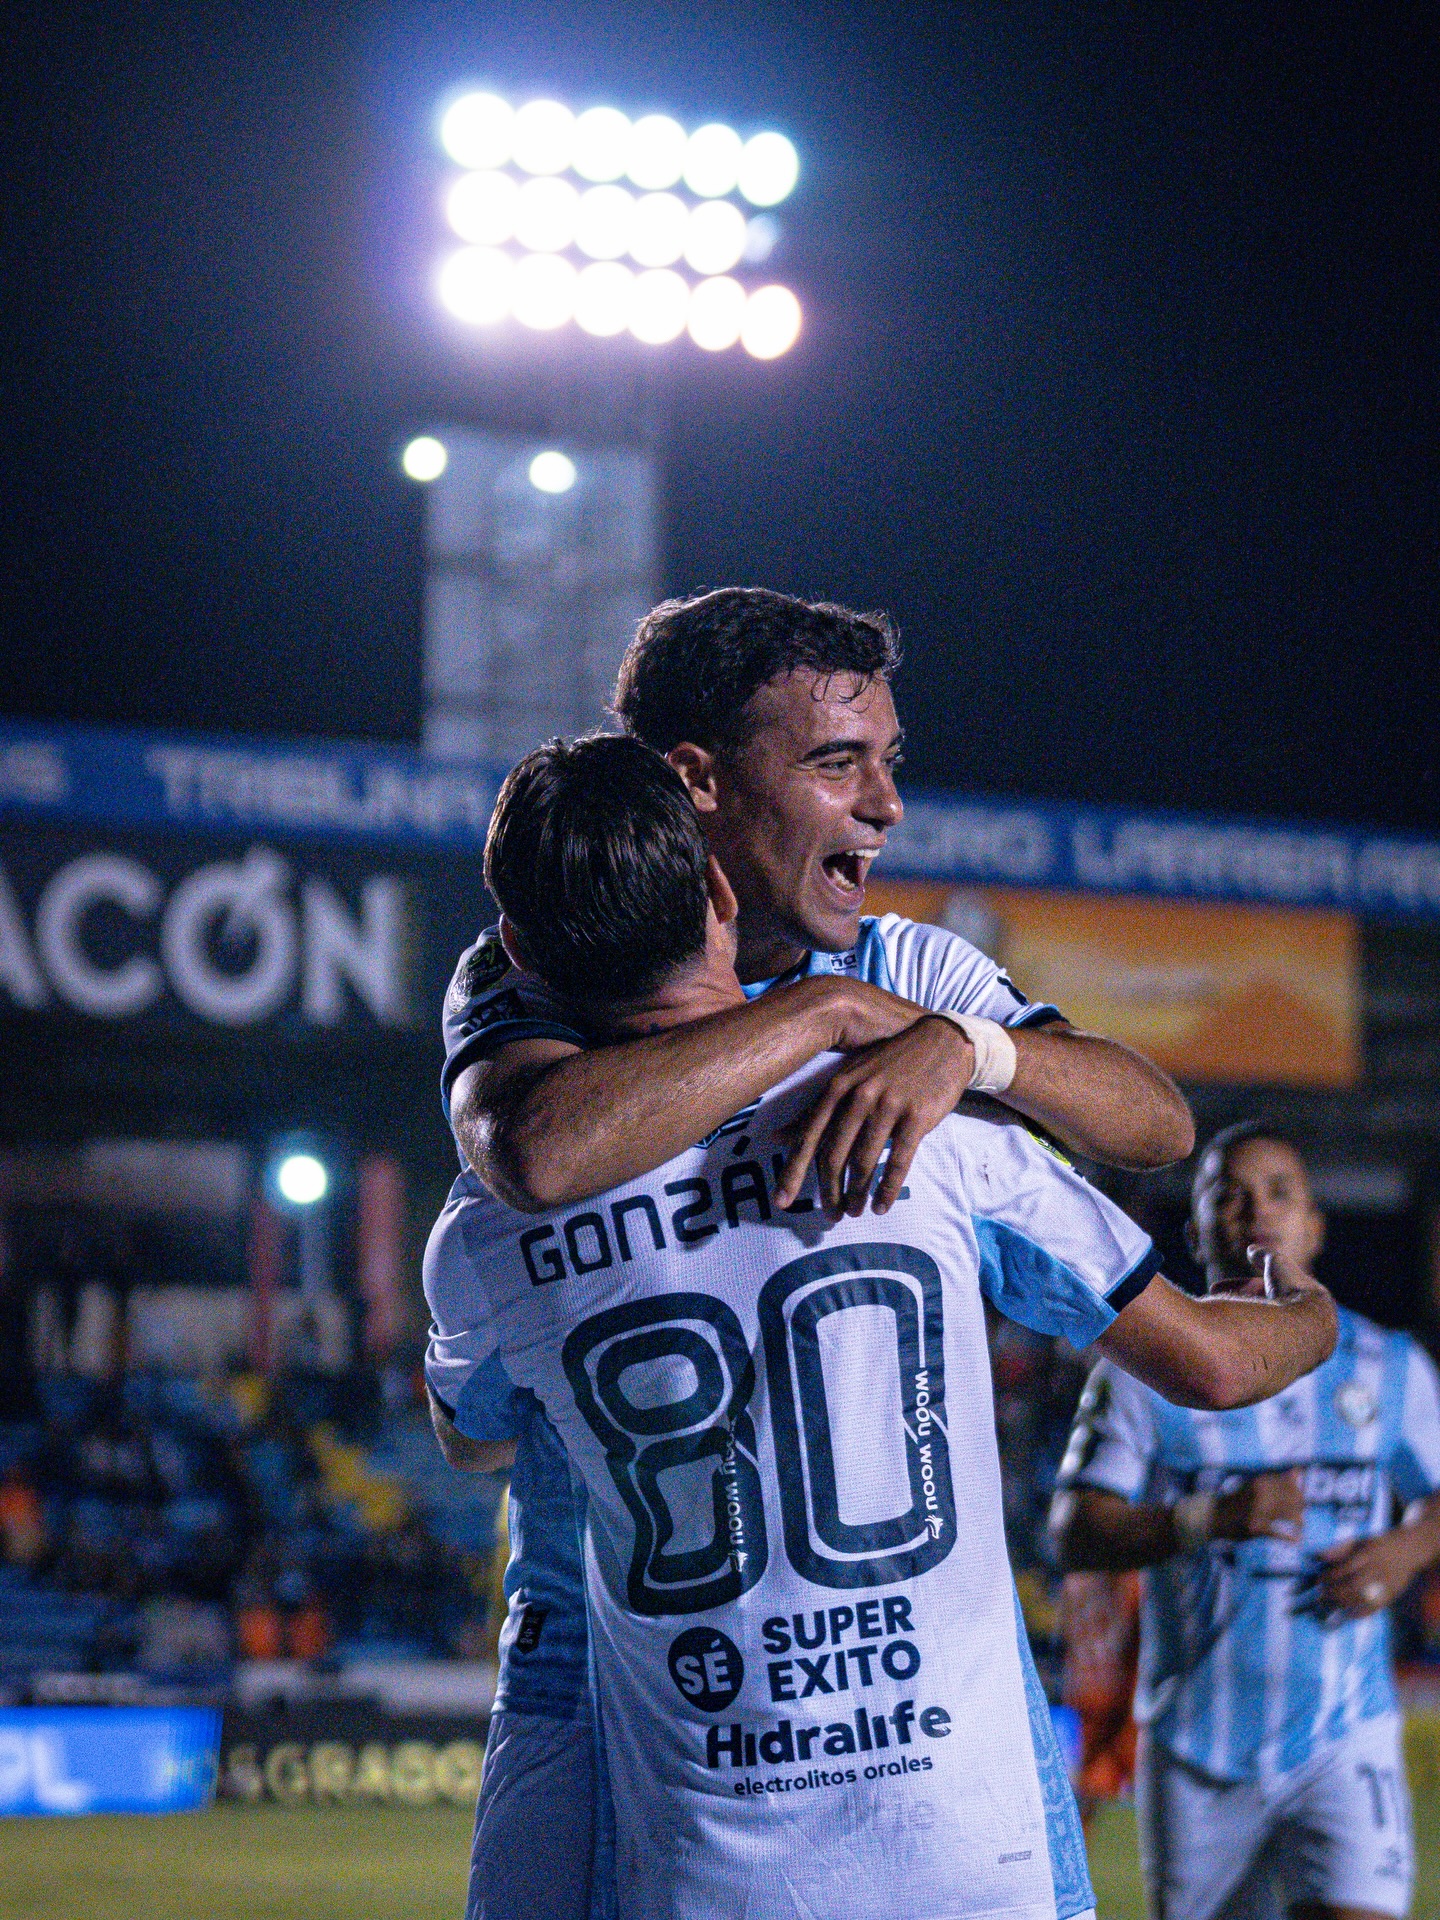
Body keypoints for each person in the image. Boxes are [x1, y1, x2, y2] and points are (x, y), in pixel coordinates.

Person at [427, 737, 1337, 1920]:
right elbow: (1217, 1363)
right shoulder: (936, 1128)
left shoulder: (483, 1232)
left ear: (518, 956)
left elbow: (473, 1436)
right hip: (963, 1838)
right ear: (716, 891)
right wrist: (1310, 1316)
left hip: (709, 1856)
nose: (882, 800)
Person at [1050, 1123, 1440, 1920]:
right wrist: (1212, 1517)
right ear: (1196, 1232)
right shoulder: (1141, 1373)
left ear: (1315, 1226)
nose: (1255, 1210)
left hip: (1344, 1735)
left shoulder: (1393, 1366)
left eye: (1279, 1192)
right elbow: (1075, 1529)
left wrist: (1405, 1549)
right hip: (1197, 1755)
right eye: (1229, 1195)